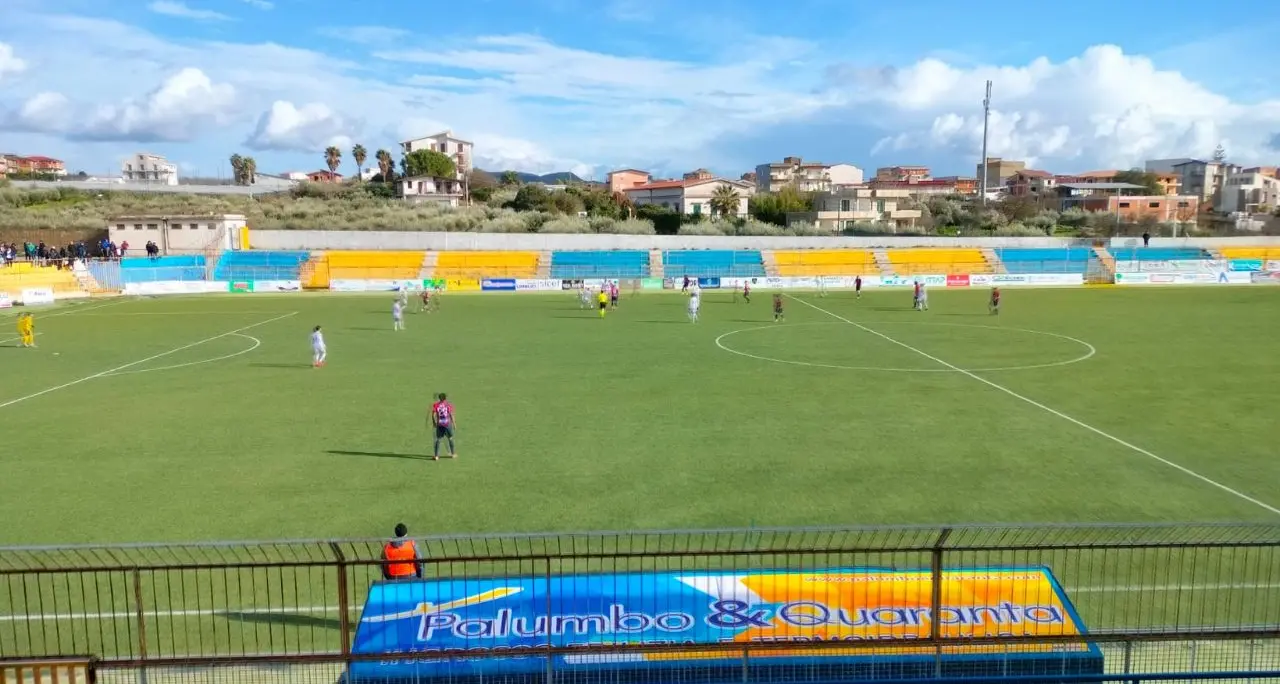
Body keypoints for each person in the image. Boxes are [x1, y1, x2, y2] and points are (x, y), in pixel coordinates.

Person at [431, 393, 457, 460]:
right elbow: (451, 414)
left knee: (438, 439)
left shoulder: (436, 405)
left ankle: (436, 456)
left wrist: (434, 422)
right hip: (447, 424)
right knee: (450, 438)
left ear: (439, 398)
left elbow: (433, 414)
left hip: (439, 424)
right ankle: (453, 454)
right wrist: (454, 423)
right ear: (445, 398)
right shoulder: (448, 405)